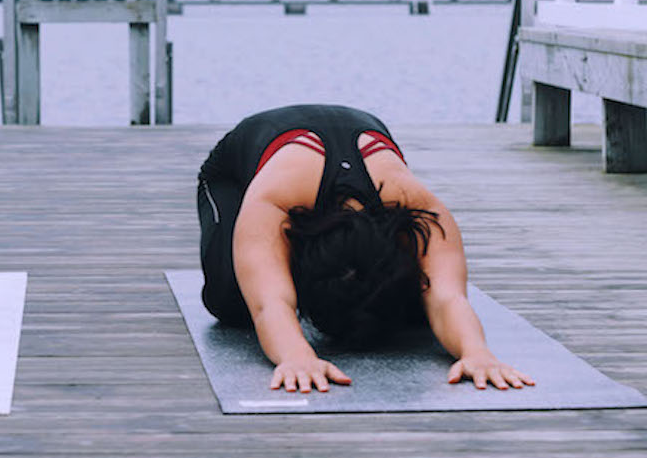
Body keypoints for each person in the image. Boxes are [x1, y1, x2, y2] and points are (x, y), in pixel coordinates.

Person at [197, 104, 534, 394]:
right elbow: (269, 304)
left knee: (418, 307)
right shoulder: (275, 200)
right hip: (233, 175)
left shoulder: (415, 202)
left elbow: (448, 296)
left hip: (355, 145)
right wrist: (296, 355)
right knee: (234, 302)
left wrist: (476, 352)